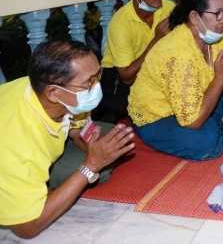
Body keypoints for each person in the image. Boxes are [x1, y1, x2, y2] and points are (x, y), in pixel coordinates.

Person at [0, 40, 135, 239]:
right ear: (54, 92)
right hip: (13, 157)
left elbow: (75, 127)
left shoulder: (55, 94)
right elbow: (26, 229)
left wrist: (88, 144)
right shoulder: (18, 148)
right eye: (89, 81)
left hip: (35, 149)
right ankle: (32, 192)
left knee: (110, 138)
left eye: (98, 75)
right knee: (99, 169)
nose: (96, 85)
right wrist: (91, 165)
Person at [128, 0, 223, 160]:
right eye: (217, 13)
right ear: (194, 17)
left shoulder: (217, 36)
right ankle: (219, 125)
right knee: (206, 142)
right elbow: (192, 122)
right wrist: (221, 77)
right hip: (157, 116)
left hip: (197, 99)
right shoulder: (178, 53)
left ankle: (220, 123)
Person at [98, 0, 175, 124]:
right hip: (120, 80)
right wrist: (156, 40)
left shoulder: (169, 9)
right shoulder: (120, 24)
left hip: (153, 70)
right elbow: (127, 77)